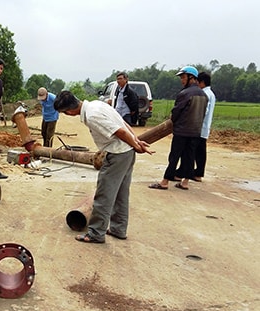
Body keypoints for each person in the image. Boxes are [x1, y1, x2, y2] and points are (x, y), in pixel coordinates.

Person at [53, 91, 153, 243]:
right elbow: (123, 123)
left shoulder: (93, 116)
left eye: (64, 112)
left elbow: (119, 131)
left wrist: (136, 144)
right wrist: (136, 141)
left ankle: (95, 233)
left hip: (118, 154)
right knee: (120, 193)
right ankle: (118, 229)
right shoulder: (97, 105)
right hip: (126, 153)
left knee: (104, 194)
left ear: (69, 111)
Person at [149, 66, 207, 190]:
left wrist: (173, 121)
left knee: (174, 156)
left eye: (183, 77)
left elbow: (176, 112)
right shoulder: (203, 94)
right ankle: (185, 182)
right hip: (196, 131)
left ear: (191, 77)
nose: (181, 80)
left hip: (182, 130)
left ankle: (164, 182)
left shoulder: (185, 93)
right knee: (190, 157)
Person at [192, 72, 216, 182]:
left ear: (201, 82)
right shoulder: (211, 94)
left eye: (197, 82)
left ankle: (195, 173)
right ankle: (198, 173)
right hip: (204, 128)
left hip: (199, 127)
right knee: (200, 152)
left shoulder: (204, 94)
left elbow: (203, 111)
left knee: (194, 151)